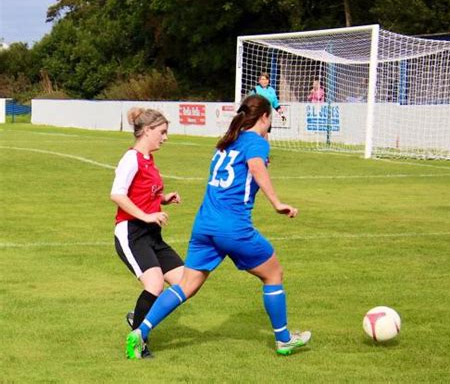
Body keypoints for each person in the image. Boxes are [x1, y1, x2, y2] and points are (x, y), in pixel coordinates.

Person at [125, 95, 311, 359]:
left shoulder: (228, 141)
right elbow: (257, 167)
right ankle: (283, 340)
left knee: (186, 285)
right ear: (265, 118)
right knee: (273, 274)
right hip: (233, 227)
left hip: (204, 225)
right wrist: (277, 203)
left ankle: (140, 332)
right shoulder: (255, 142)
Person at [111, 107, 184, 358]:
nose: (165, 137)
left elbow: (144, 193)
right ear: (147, 130)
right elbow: (117, 194)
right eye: (162, 132)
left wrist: (163, 199)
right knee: (154, 285)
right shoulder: (131, 158)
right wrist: (146, 215)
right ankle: (138, 342)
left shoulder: (148, 160)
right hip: (132, 233)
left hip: (152, 234)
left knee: (185, 283)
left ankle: (139, 318)